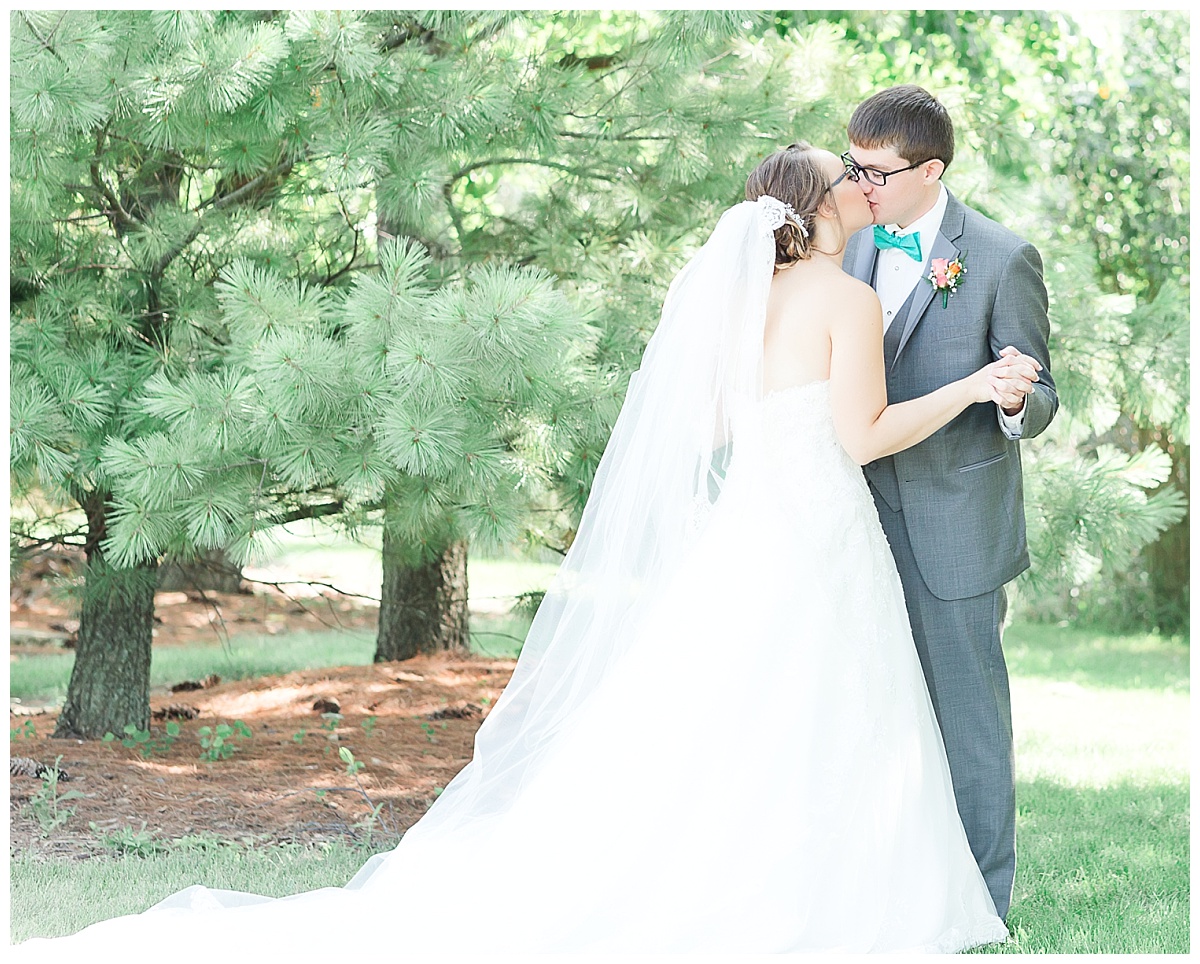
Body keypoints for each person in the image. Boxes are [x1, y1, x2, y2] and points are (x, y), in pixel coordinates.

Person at [17, 143, 1042, 955]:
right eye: (844, 180)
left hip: (753, 528)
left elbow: (721, 427)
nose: (862, 191)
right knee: (821, 708)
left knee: (729, 712)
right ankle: (832, 894)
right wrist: (965, 385)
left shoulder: (748, 299)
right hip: (817, 524)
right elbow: (861, 437)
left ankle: (726, 873)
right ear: (814, 208)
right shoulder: (848, 296)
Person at [841, 84, 1059, 921]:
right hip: (852, 517)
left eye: (876, 173)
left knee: (968, 720)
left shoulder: (1002, 257)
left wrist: (1010, 397)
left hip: (955, 527)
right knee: (861, 705)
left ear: (931, 171)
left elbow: (1042, 398)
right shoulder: (849, 243)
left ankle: (980, 902)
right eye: (853, 166)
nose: (859, 188)